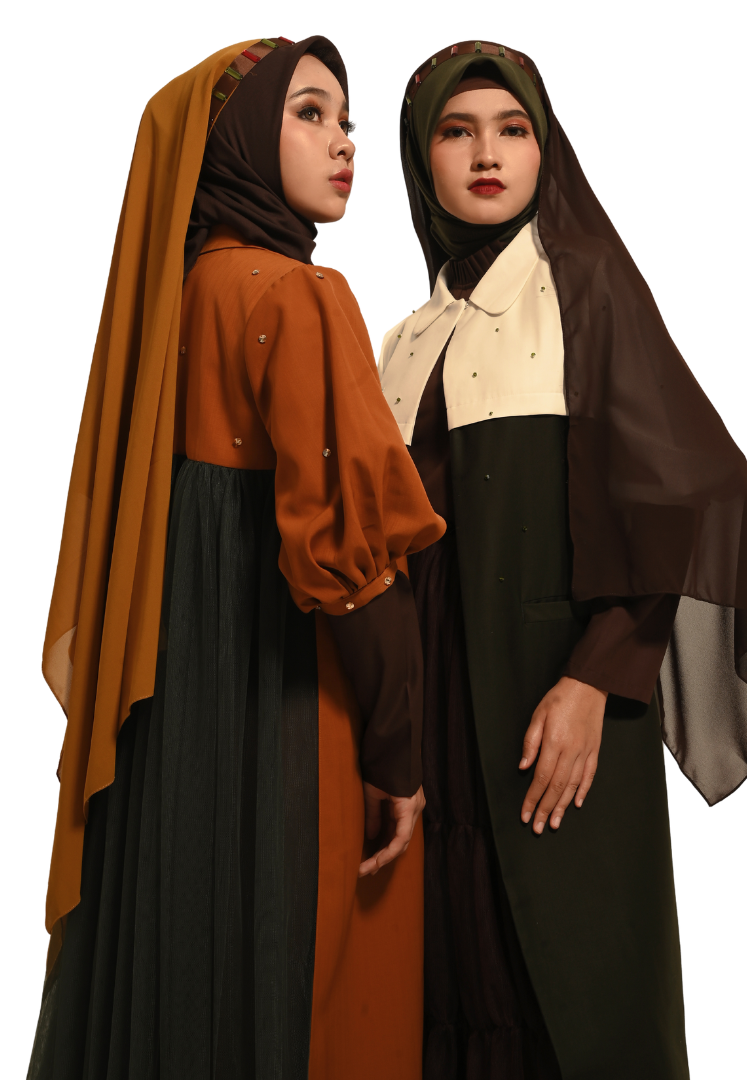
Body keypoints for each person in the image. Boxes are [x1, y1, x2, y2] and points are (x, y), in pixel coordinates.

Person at [29, 35, 443, 1080]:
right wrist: (398, 755)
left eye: (346, 120)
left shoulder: (170, 307)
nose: (343, 142)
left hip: (175, 735)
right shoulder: (301, 298)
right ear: (236, 140)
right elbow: (352, 564)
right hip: (293, 719)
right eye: (307, 113)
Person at [378, 39, 747, 1080]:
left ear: (544, 149)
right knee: (444, 971)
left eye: (513, 130)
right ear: (420, 155)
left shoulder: (583, 286)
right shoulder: (401, 340)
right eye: (457, 132)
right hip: (430, 714)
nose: (487, 155)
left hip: (552, 702)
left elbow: (688, 484)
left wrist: (597, 679)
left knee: (570, 982)